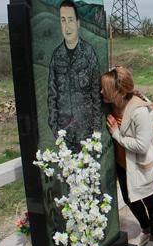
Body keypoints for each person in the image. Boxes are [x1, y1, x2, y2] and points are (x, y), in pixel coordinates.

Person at [101, 67, 153, 246]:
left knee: (151, 203)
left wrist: (116, 134)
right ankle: (146, 228)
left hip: (140, 166)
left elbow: (142, 146)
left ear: (119, 91)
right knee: (129, 199)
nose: (101, 92)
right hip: (122, 164)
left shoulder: (138, 111)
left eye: (105, 89)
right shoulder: (112, 105)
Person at [47, 0, 101, 151]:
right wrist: (55, 128)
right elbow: (52, 95)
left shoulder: (88, 53)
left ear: (77, 23)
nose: (67, 26)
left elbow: (96, 93)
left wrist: (96, 130)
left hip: (87, 133)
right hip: (65, 134)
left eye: (70, 19)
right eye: (63, 20)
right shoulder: (56, 56)